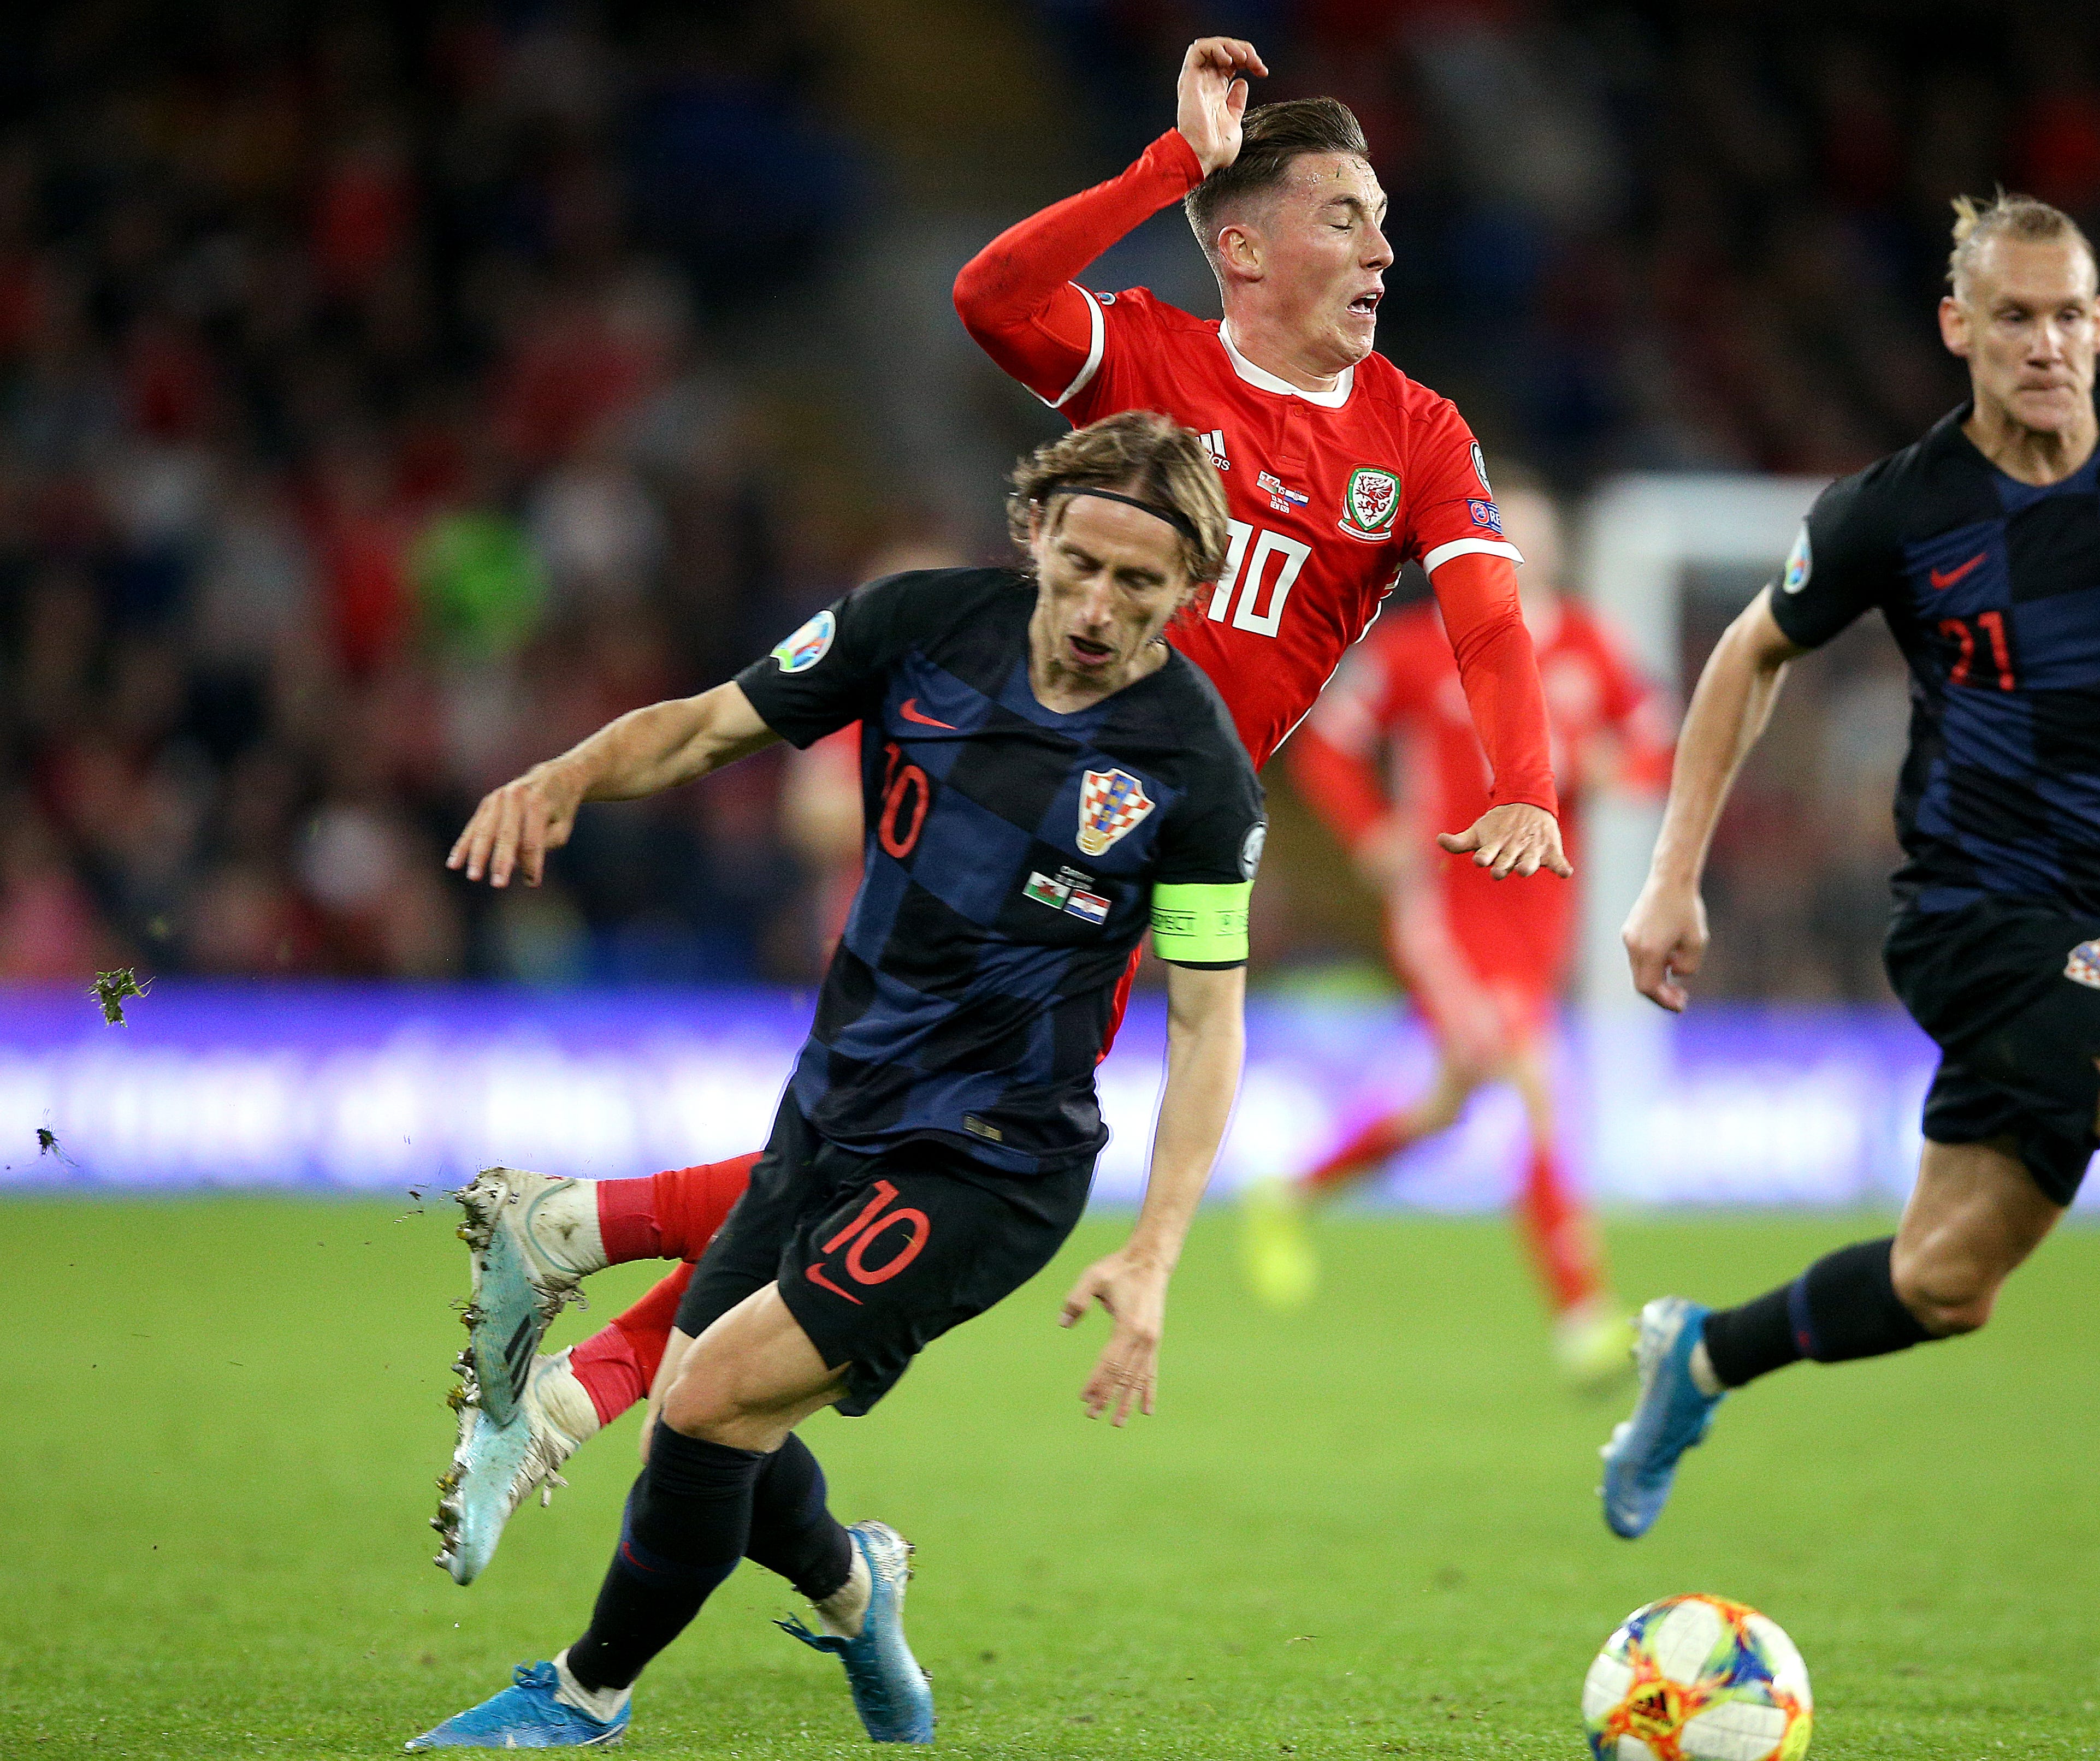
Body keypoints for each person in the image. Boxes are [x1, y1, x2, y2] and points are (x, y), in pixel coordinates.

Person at [429, 35, 1576, 1584]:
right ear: (1242, 246)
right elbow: (987, 299)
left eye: (1384, 217)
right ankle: (569, 1294)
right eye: (1345, 214)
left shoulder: (1418, 437)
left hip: (1140, 842)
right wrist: (1161, 168)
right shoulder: (1148, 353)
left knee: (867, 1175)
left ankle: (571, 1353)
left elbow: (1492, 625)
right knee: (918, 1167)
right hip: (1012, 789)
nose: (1384, 246)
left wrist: (1520, 777)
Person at [1598, 194, 2100, 1649]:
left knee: (1941, 1283)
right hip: (1977, 917)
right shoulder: (1899, 507)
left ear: (2098, 324)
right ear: (1956, 330)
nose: (2042, 343)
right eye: (2011, 318)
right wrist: (1671, 875)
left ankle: (1700, 1355)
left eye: (2065, 315)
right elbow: (1747, 654)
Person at [410, 412, 1265, 1747]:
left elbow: (1210, 1026)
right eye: (1080, 565)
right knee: (696, 1447)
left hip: (992, 1158)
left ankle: (581, 1696)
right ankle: (859, 1586)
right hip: (833, 1105)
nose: (1098, 607)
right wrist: (570, 771)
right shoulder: (916, 625)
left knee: (699, 1407)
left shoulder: (1197, 767)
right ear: (1035, 531)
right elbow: (704, 731)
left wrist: (1153, 1254)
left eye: (1139, 584)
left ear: (1188, 588)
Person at [1243, 463, 1670, 1385]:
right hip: (1445, 907)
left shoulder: (1590, 650)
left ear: (1554, 548)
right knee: (1534, 1079)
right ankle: (1581, 1315)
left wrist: (1604, 771)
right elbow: (1326, 741)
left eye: (1527, 535)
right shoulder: (1413, 651)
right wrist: (1372, 834)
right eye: (1491, 536)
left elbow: (1654, 750)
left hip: (1538, 916)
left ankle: (1291, 1192)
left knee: (1447, 1101)